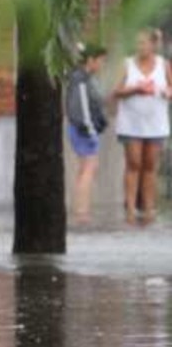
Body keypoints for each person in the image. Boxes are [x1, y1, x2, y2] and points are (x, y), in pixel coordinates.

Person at [112, 29, 171, 224]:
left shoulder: (164, 65)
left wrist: (166, 92)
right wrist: (135, 89)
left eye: (145, 43)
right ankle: (130, 207)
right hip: (131, 124)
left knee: (150, 165)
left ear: (153, 45)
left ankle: (148, 207)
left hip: (156, 124)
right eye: (138, 43)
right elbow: (115, 91)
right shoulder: (127, 65)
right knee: (134, 163)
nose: (141, 47)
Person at [65, 43, 109, 224]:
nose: (102, 65)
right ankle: (81, 212)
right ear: (91, 60)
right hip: (83, 129)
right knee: (88, 169)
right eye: (101, 61)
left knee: (86, 169)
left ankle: (81, 209)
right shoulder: (81, 79)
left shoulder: (86, 78)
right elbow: (81, 108)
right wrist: (90, 130)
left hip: (84, 128)